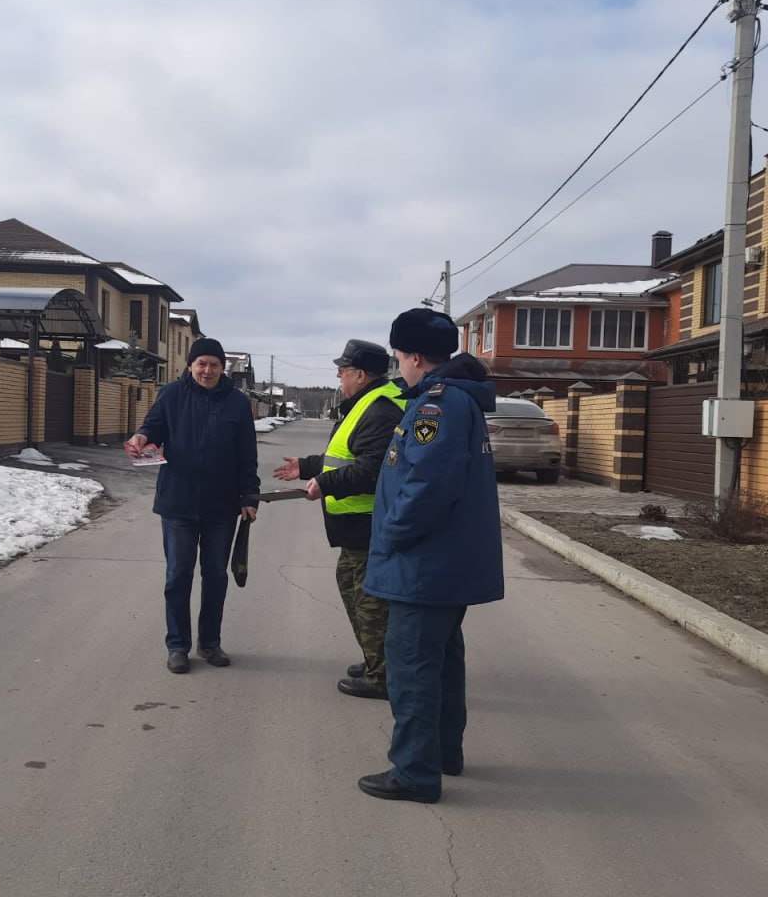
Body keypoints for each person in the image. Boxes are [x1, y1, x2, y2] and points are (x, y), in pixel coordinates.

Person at [358, 308, 503, 803]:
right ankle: (443, 752)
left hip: (425, 564)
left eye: (399, 356)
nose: (398, 365)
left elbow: (426, 485)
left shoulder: (436, 407)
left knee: (412, 666)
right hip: (444, 564)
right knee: (441, 660)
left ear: (415, 356)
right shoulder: (455, 400)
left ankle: (415, 772)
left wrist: (392, 535)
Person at [273, 339, 404, 699]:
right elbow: (343, 457)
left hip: (369, 524)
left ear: (360, 375)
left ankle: (383, 676)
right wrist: (308, 467)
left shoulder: (380, 409)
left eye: (343, 370)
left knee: (370, 601)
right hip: (356, 526)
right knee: (352, 588)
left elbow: (372, 469)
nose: (338, 375)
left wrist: (324, 483)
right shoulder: (364, 404)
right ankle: (375, 659)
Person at [126, 337, 259, 674]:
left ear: (222, 368)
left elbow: (247, 454)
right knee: (178, 576)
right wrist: (142, 437)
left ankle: (210, 642)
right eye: (201, 363)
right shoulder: (171, 395)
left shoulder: (237, 403)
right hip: (178, 503)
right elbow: (152, 427)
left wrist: (249, 496)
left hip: (222, 506)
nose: (207, 370)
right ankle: (177, 646)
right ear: (190, 366)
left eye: (214, 364)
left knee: (215, 575)